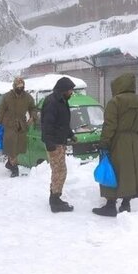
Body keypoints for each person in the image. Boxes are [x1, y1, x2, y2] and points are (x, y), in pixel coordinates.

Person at [92, 73, 138, 217]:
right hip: (135, 141)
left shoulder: (115, 102)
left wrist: (104, 143)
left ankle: (110, 205)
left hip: (118, 141)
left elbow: (109, 125)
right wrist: (136, 139)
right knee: (130, 173)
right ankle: (125, 204)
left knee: (113, 171)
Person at [40, 77, 77, 212]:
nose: (71, 93)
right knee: (59, 171)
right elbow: (47, 124)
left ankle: (55, 197)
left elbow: (62, 123)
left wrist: (70, 135)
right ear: (63, 90)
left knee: (59, 171)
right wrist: (50, 143)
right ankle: (55, 201)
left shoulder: (61, 100)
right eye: (70, 90)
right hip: (54, 143)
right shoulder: (52, 102)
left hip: (59, 141)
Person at [0, 77, 38, 177]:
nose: (20, 88)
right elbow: (0, 111)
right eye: (18, 87)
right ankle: (14, 168)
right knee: (11, 148)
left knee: (19, 148)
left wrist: (33, 116)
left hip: (22, 126)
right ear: (14, 86)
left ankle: (10, 164)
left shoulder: (27, 97)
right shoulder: (6, 97)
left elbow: (33, 108)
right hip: (9, 125)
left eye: (22, 87)